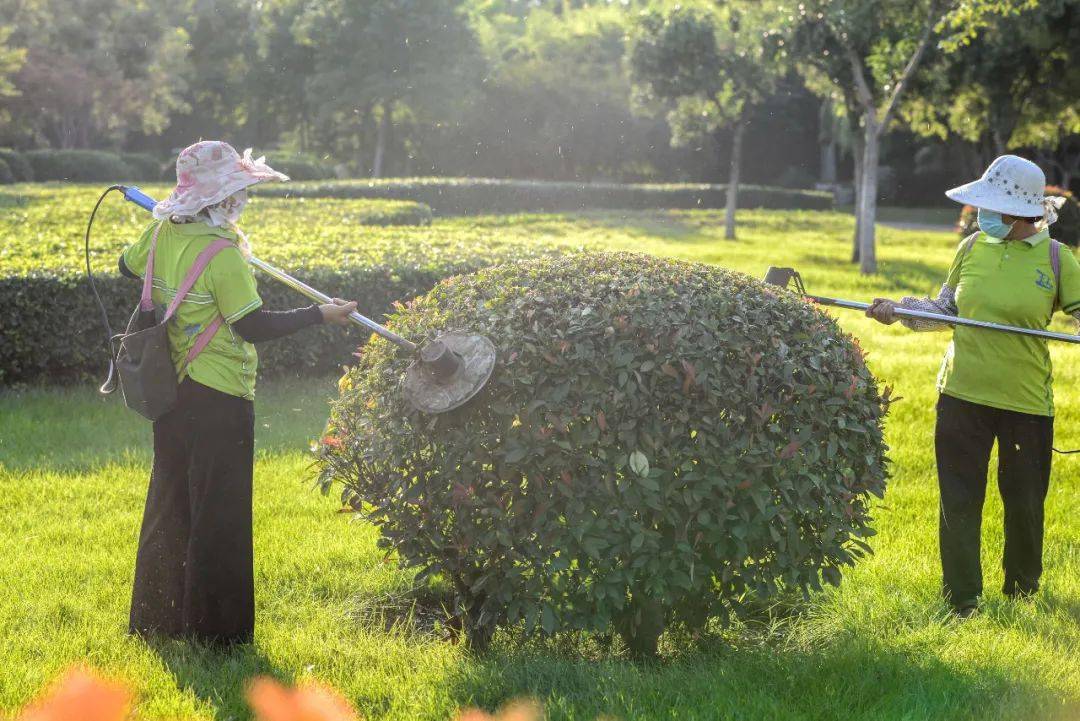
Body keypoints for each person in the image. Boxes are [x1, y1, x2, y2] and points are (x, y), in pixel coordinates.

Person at [119, 140, 357, 645]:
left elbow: (127, 265)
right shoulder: (223, 255)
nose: (241, 202)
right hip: (219, 394)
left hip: (170, 393)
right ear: (222, 199)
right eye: (237, 193)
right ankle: (216, 635)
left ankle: (157, 620)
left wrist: (169, 229)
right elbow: (252, 326)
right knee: (219, 509)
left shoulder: (161, 232)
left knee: (170, 500)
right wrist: (322, 313)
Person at [865, 155, 1075, 618]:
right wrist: (900, 311)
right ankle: (961, 600)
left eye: (994, 206)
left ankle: (1022, 592)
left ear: (1020, 211)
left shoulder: (1059, 258)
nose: (984, 215)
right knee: (958, 500)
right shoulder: (972, 248)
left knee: (1024, 503)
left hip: (1026, 403)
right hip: (961, 395)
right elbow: (945, 310)